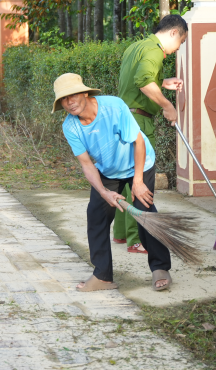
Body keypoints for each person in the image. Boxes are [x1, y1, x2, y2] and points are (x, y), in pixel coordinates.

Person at [55, 72, 172, 292]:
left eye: (72, 96)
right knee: (96, 216)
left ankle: (160, 268)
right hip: (108, 170)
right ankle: (102, 276)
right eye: (63, 99)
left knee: (143, 210)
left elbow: (138, 142)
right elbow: (87, 164)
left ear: (85, 92)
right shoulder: (70, 126)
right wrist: (103, 192)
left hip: (139, 162)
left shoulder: (114, 107)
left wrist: (138, 181)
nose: (69, 103)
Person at [114, 15, 187, 254]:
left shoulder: (137, 46)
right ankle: (139, 239)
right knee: (142, 179)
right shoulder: (155, 51)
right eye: (181, 42)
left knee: (126, 176)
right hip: (140, 121)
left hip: (125, 117)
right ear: (174, 33)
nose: (177, 48)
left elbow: (137, 80)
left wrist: (163, 82)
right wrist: (168, 107)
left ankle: (123, 234)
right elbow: (144, 81)